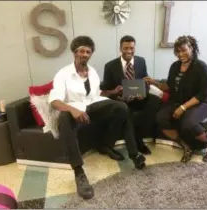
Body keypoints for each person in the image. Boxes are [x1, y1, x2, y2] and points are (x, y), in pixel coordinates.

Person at [49, 36, 146, 200]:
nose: (84, 54)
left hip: (91, 106)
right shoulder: (63, 74)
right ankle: (79, 173)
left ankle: (131, 152)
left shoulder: (92, 72)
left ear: (91, 54)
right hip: (73, 110)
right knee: (64, 119)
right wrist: (72, 110)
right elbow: (54, 101)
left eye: (88, 51)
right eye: (81, 51)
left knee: (122, 107)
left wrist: (112, 93)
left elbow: (97, 94)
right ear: (75, 52)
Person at [144, 35, 207, 163]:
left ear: (192, 48)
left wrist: (183, 108)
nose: (180, 54)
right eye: (177, 51)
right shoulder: (175, 66)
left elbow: (203, 94)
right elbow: (170, 86)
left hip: (199, 103)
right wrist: (154, 82)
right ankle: (185, 145)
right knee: (160, 118)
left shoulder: (201, 67)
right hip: (178, 101)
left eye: (184, 50)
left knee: (188, 123)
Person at [101, 35, 161, 155]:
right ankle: (137, 143)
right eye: (126, 48)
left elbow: (145, 80)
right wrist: (115, 95)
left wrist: (143, 92)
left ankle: (144, 137)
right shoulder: (110, 66)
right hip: (120, 100)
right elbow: (106, 89)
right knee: (126, 111)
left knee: (154, 101)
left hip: (138, 98)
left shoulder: (141, 61)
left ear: (135, 48)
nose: (129, 51)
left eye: (131, 48)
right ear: (120, 48)